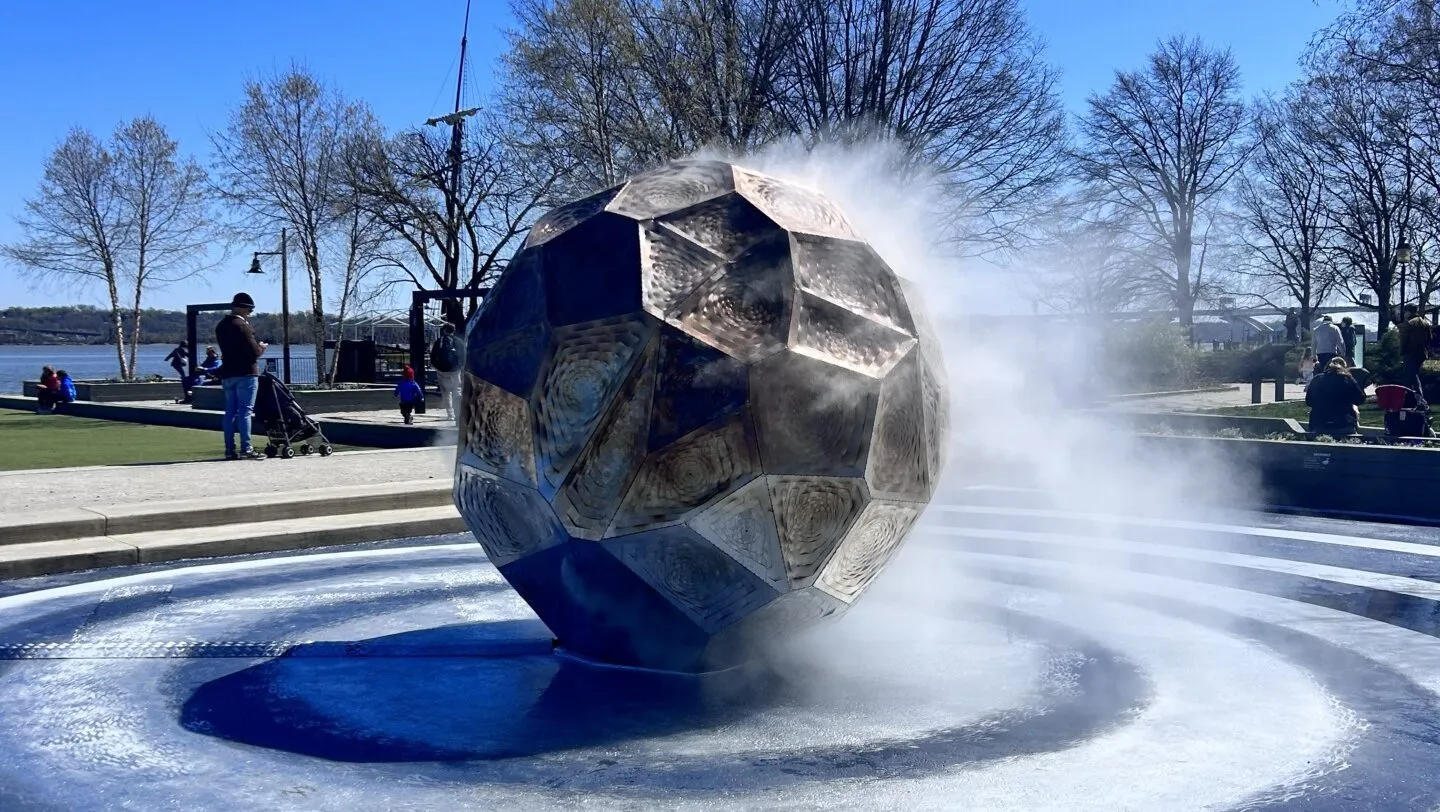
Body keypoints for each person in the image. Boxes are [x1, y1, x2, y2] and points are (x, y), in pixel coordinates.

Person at [215, 292, 269, 460]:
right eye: (249, 309)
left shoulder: (221, 325)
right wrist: (261, 348)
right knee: (245, 412)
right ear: (243, 308)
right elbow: (254, 352)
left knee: (230, 412)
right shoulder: (243, 326)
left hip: (228, 373)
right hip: (246, 373)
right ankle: (247, 447)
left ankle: (229, 449)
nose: (250, 312)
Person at [1306, 356, 1367, 437]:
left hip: (1319, 425)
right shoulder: (1347, 378)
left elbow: (1309, 401)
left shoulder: (1317, 379)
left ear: (1326, 368)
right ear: (1345, 368)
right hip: (1344, 425)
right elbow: (1360, 399)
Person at [428, 322, 463, 420]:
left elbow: (433, 356)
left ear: (444, 330)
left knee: (446, 392)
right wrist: (460, 367)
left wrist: (437, 367)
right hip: (455, 369)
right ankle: (459, 413)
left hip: (442, 370)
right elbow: (463, 355)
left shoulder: (439, 341)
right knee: (457, 390)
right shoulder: (458, 341)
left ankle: (450, 415)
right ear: (454, 331)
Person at [1398, 306, 1433, 402]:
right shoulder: (1425, 323)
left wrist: (1402, 352)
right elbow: (1430, 339)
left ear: (1409, 312)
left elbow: (1404, 340)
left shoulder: (1409, 324)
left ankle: (1416, 400)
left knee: (1409, 377)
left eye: (1405, 312)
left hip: (1410, 353)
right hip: (1421, 353)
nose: (1404, 314)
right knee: (1414, 375)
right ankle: (1416, 399)